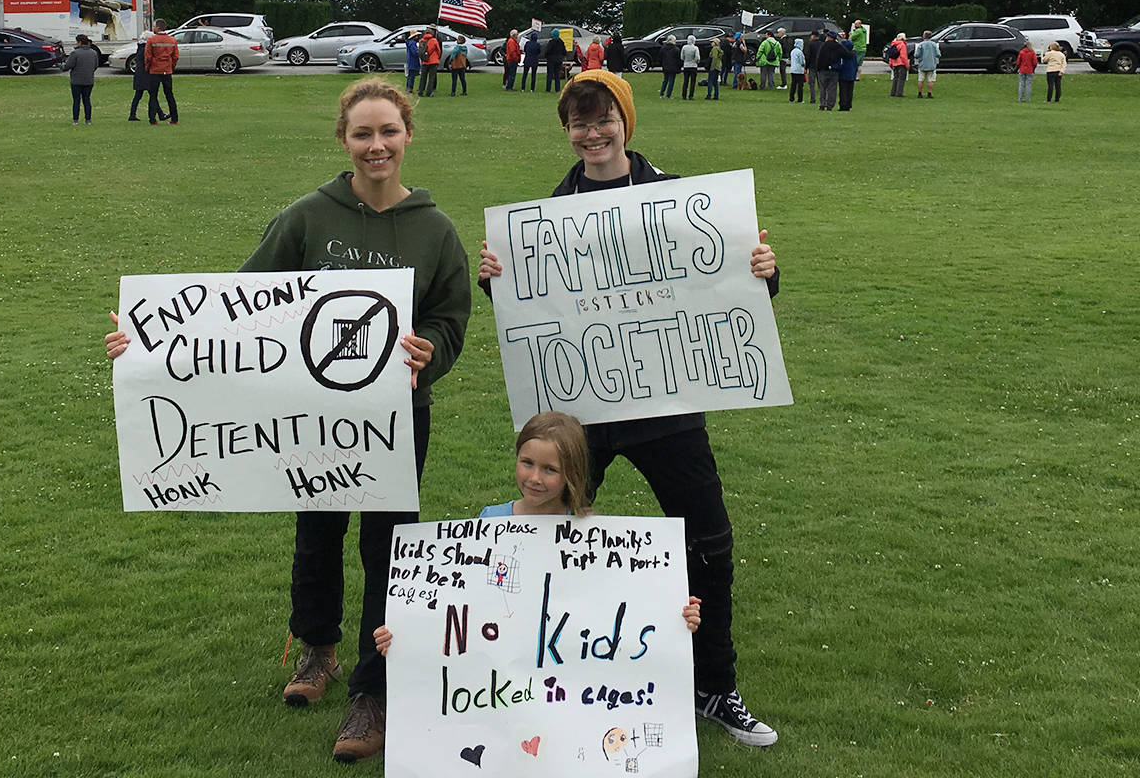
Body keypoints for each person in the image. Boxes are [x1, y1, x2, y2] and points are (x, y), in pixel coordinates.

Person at [104, 78, 471, 764]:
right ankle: (317, 648)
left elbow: (450, 316)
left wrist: (431, 350)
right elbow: (234, 307)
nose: (376, 145)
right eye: (362, 133)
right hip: (310, 419)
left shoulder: (435, 230)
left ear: (408, 135)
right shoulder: (306, 218)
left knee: (388, 548)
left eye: (388, 131)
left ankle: (374, 687)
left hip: (394, 419)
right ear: (343, 140)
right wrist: (148, 344)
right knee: (317, 534)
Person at [476, 70, 781, 748]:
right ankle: (526, 674)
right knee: (542, 537)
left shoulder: (679, 201)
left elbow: (731, 291)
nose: (593, 134)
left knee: (709, 545)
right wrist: (497, 281)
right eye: (579, 124)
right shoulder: (545, 218)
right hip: (578, 416)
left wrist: (763, 269)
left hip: (668, 410)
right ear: (567, 131)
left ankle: (714, 685)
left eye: (604, 120)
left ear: (626, 122)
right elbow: (533, 311)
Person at [373, 411, 704, 652]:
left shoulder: (591, 537)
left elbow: (617, 601)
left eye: (549, 469)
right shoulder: (490, 523)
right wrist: (407, 633)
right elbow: (462, 597)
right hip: (500, 659)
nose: (534, 478)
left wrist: (673, 612)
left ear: (572, 473)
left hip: (567, 665)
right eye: (527, 463)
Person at [128, 31, 167, 121]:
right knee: (152, 95)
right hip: (146, 74)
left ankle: (132, 114)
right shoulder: (145, 48)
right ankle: (160, 114)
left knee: (139, 95)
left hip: (140, 75)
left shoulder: (140, 47)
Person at [145, 18, 178, 124]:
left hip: (155, 70)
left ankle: (152, 119)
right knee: (169, 95)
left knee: (153, 95)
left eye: (154, 26)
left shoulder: (151, 40)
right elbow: (175, 56)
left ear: (158, 28)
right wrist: (171, 67)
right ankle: (174, 118)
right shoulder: (172, 40)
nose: (153, 28)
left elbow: (148, 56)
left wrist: (148, 67)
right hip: (167, 70)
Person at [63, 33, 98, 125]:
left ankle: (76, 120)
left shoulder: (75, 53)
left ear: (79, 42)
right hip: (89, 80)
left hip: (76, 80)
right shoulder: (93, 53)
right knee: (87, 100)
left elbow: (68, 65)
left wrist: (62, 67)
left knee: (76, 100)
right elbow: (95, 65)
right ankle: (88, 120)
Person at [816, 30, 843, 111]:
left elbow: (819, 57)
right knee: (832, 89)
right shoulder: (838, 46)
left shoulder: (824, 45)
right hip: (834, 70)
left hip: (823, 69)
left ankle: (822, 103)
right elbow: (845, 54)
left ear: (829, 37)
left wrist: (818, 68)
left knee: (822, 88)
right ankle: (830, 105)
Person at [915, 30, 940, 98]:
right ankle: (929, 94)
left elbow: (916, 55)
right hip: (931, 65)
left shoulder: (921, 44)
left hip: (922, 64)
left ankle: (919, 94)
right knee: (930, 80)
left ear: (924, 36)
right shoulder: (934, 44)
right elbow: (938, 54)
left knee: (921, 79)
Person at [419, 26, 441, 97]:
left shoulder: (421, 41)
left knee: (423, 77)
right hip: (433, 61)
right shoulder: (434, 40)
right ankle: (428, 93)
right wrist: (437, 57)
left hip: (425, 61)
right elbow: (438, 51)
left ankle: (420, 91)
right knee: (431, 78)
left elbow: (420, 51)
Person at [837, 35, 857, 111]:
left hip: (843, 74)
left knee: (843, 91)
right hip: (851, 75)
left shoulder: (843, 55)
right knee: (850, 91)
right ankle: (848, 105)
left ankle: (843, 105)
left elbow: (841, 64)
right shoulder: (854, 54)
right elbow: (855, 65)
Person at [544, 28, 567, 92]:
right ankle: (557, 89)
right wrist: (562, 56)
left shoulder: (551, 42)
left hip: (551, 60)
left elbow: (547, 51)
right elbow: (564, 51)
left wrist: (546, 56)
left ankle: (548, 89)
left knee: (550, 74)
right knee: (557, 75)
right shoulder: (561, 42)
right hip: (559, 60)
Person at [887, 33, 909, 97]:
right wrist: (907, 65)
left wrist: (891, 63)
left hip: (894, 63)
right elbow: (903, 56)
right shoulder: (902, 45)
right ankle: (899, 93)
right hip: (901, 64)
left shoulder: (893, 44)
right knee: (901, 79)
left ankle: (893, 92)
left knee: (895, 78)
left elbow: (891, 56)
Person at [658, 34, 679, 99]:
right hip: (673, 67)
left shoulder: (663, 48)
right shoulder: (676, 49)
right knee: (671, 81)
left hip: (665, 66)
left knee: (665, 80)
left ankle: (661, 94)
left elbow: (660, 57)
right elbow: (678, 59)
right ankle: (668, 95)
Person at [680, 34, 699, 100]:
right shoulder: (695, 48)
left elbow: (682, 57)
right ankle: (691, 95)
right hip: (693, 66)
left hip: (686, 65)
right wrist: (696, 61)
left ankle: (684, 95)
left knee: (685, 81)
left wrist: (685, 60)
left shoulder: (684, 47)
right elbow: (697, 57)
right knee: (692, 82)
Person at [805, 30, 822, 104]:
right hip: (820, 66)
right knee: (820, 83)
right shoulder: (822, 44)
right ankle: (822, 98)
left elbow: (808, 56)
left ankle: (813, 98)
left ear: (813, 36)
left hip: (812, 66)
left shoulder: (810, 44)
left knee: (812, 83)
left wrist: (806, 67)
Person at [788, 37, 805, 103]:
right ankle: (800, 99)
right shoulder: (800, 52)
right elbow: (802, 62)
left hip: (793, 70)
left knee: (793, 85)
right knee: (800, 86)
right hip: (799, 71)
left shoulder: (793, 51)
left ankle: (791, 98)